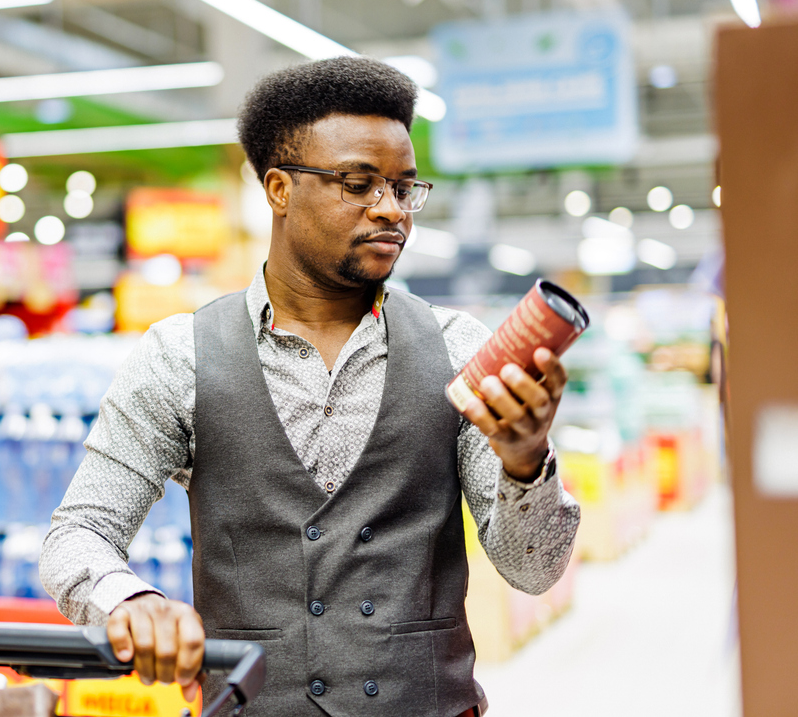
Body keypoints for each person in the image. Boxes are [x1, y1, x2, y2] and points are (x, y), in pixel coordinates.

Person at [40, 57, 580, 717]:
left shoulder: (458, 350)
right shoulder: (178, 357)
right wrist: (128, 600)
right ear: (277, 189)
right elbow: (78, 534)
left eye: (403, 187)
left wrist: (527, 463)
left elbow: (533, 571)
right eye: (358, 184)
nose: (390, 210)